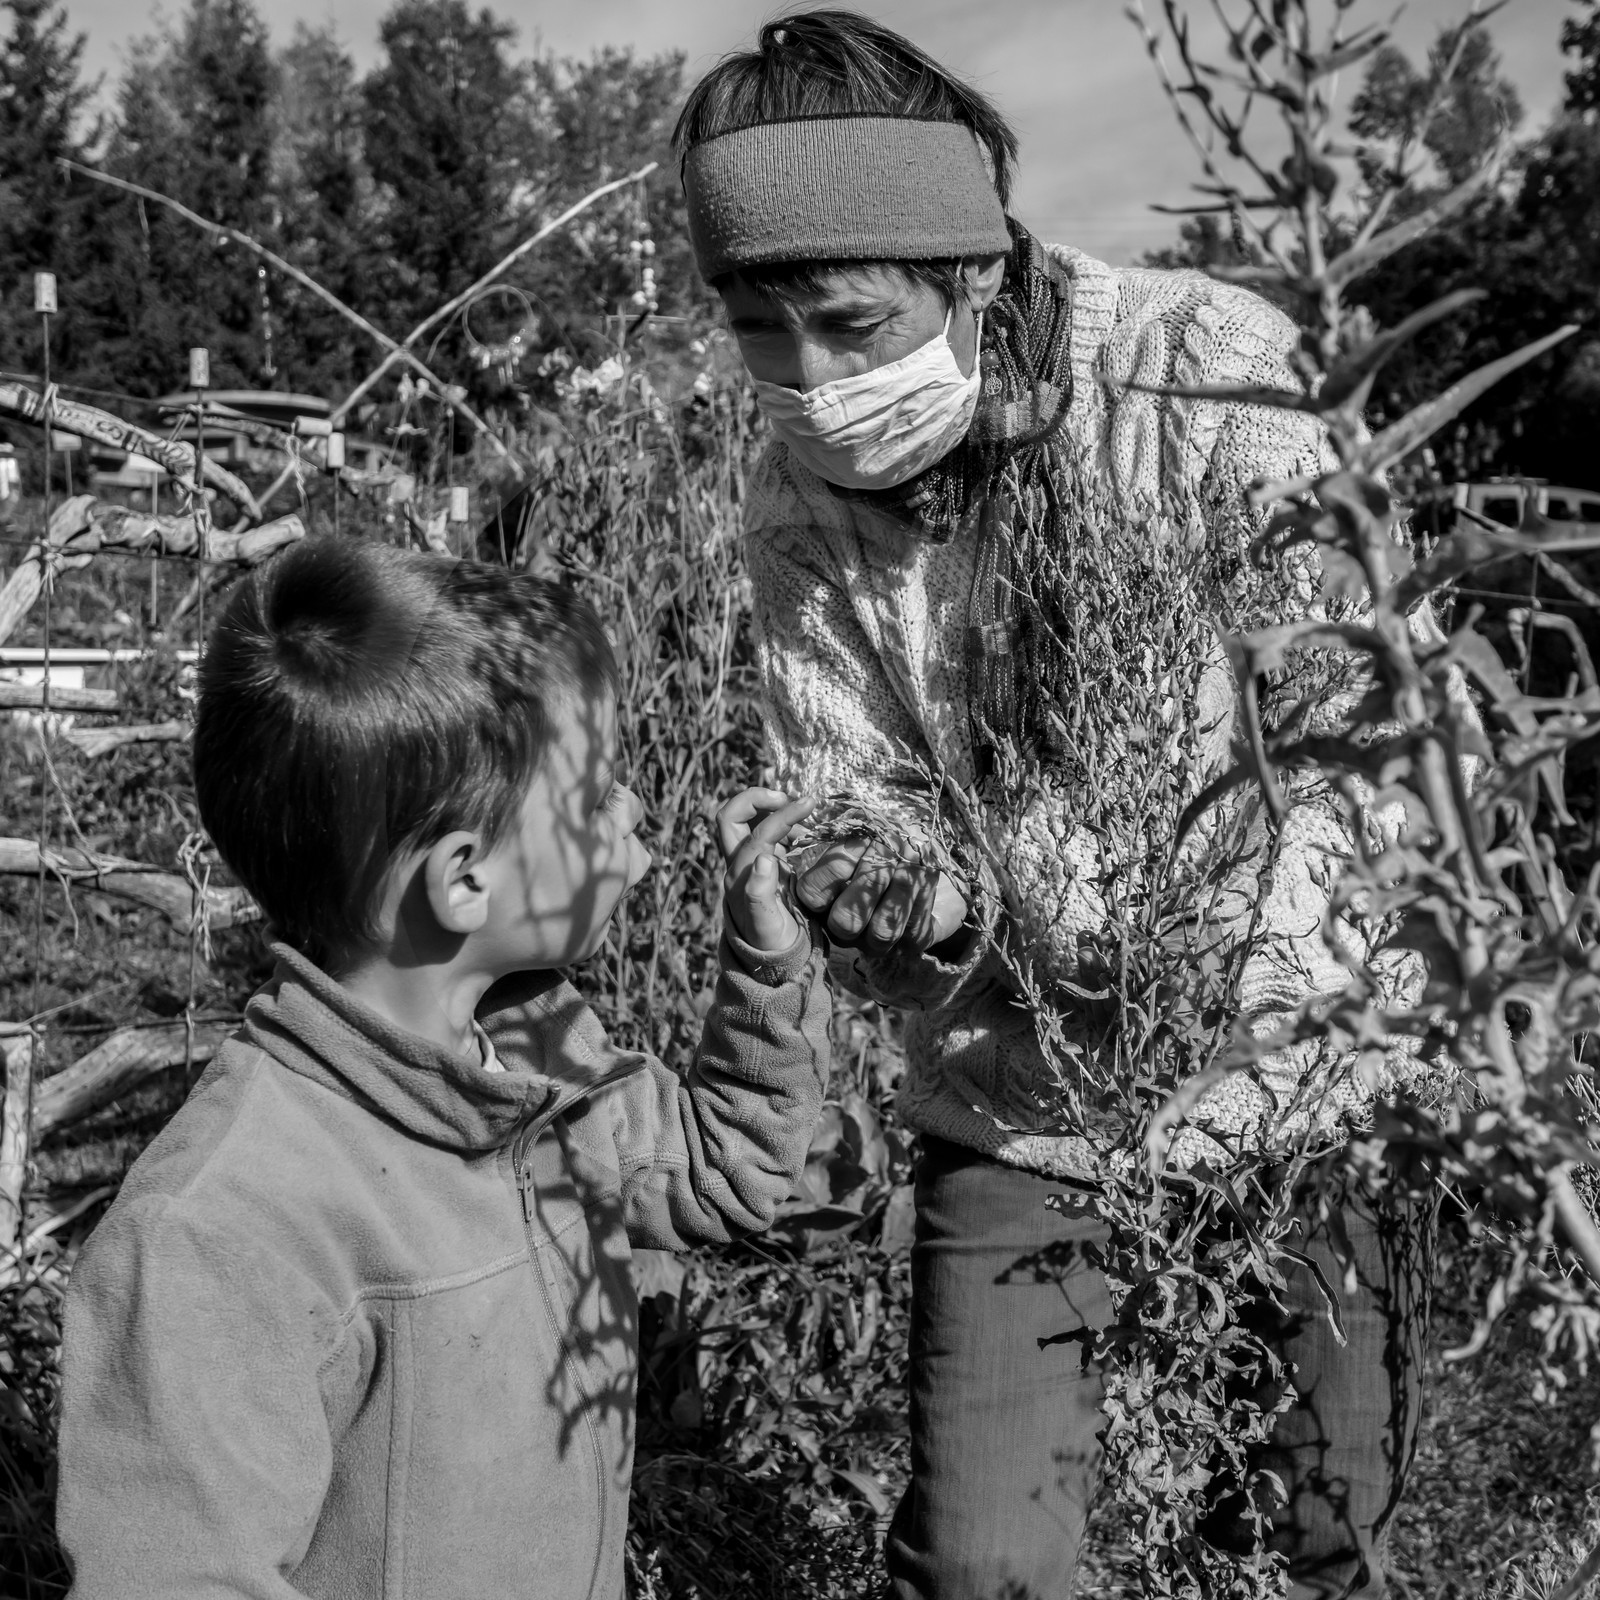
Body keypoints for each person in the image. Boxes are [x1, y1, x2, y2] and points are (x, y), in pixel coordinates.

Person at [675, 12, 1433, 1600]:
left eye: (850, 323)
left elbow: (1354, 734)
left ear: (970, 266)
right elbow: (853, 779)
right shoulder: (795, 496)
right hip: (1016, 1094)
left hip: (1299, 1073)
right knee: (985, 1562)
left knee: (1312, 1534)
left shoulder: (1204, 369)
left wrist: (1202, 982)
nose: (811, 382)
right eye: (759, 331)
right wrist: (904, 889)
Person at [55, 538, 832, 1599]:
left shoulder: (536, 1056)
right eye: (594, 791)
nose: (633, 810)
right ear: (463, 881)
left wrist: (765, 959)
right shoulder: (221, 1232)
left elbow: (727, 1169)